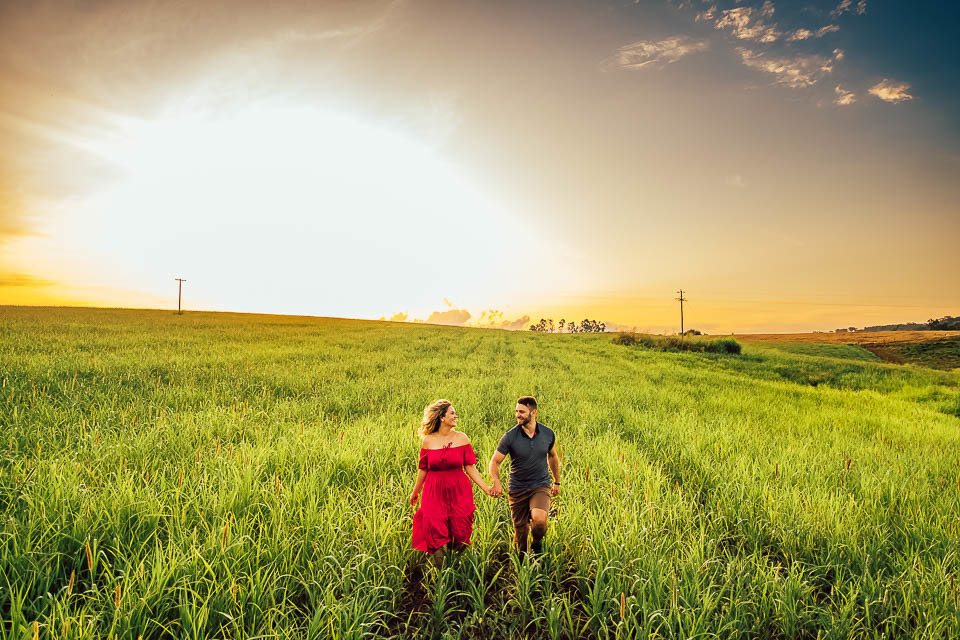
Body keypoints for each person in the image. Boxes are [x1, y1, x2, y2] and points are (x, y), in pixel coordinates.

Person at [410, 399, 494, 566]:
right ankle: (442, 576)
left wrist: (486, 488)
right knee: (435, 531)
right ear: (441, 417)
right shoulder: (428, 440)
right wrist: (415, 491)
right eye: (452, 413)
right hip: (433, 491)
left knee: (460, 531)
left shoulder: (462, 438)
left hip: (459, 490)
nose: (456, 416)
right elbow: (423, 469)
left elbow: (470, 467)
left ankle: (457, 567)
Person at [489, 396, 560, 556]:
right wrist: (496, 481)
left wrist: (557, 481)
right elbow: (495, 462)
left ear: (533, 412)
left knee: (540, 519)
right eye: (516, 411)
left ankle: (536, 544)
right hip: (518, 488)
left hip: (540, 485)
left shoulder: (548, 434)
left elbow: (553, 456)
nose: (517, 415)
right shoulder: (510, 436)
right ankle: (521, 566)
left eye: (521, 411)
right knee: (520, 537)